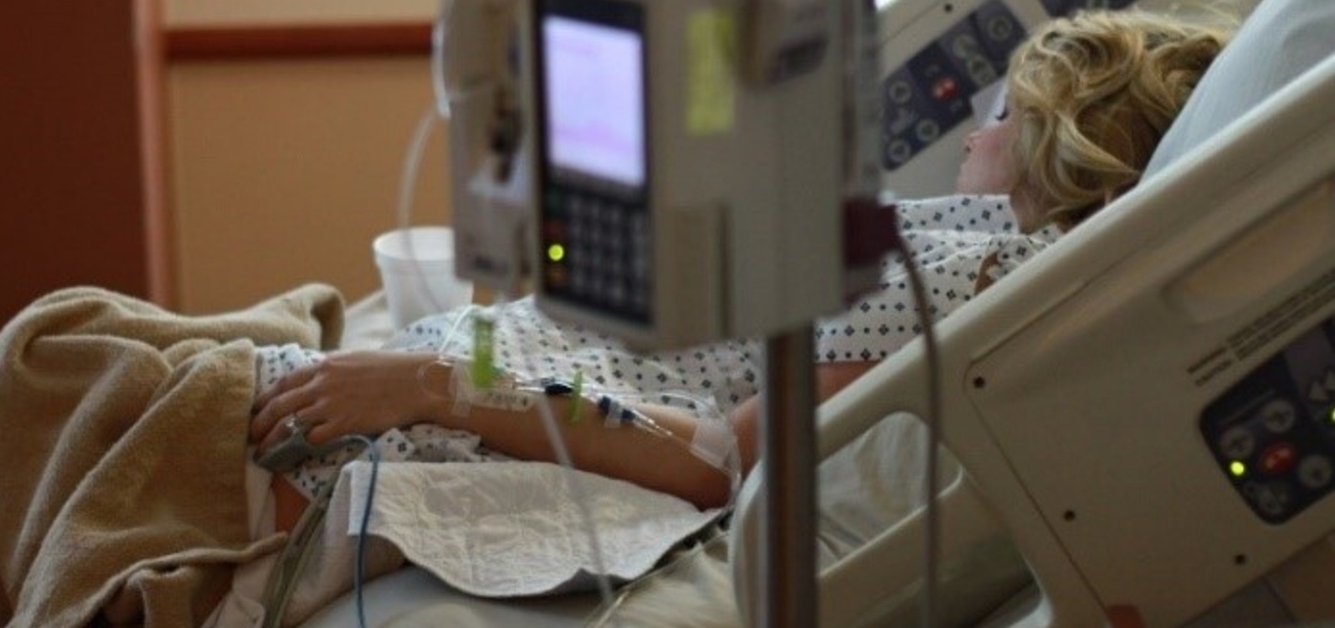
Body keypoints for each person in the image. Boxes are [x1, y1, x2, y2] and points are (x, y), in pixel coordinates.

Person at [248, 8, 1232, 535]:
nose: (977, 130)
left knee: (127, 381)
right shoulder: (959, 249)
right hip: (496, 375)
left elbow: (715, 456)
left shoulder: (969, 270)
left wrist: (428, 384)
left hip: (468, 425)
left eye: (1008, 115)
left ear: (1064, 153)